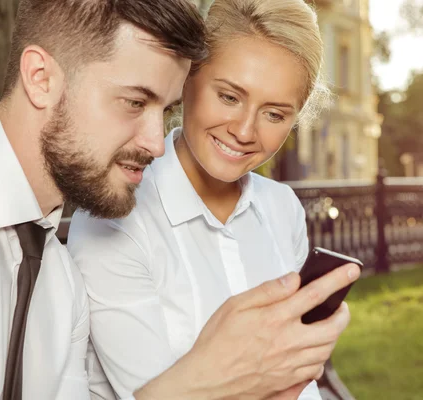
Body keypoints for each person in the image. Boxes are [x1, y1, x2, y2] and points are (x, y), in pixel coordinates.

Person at [0, 0, 358, 399]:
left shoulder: (59, 285)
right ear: (41, 79)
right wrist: (205, 380)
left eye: (164, 111)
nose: (156, 144)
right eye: (135, 102)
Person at [67, 0, 358, 399]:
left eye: (274, 114)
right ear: (187, 78)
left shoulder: (281, 207)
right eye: (229, 97)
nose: (243, 130)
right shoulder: (116, 217)